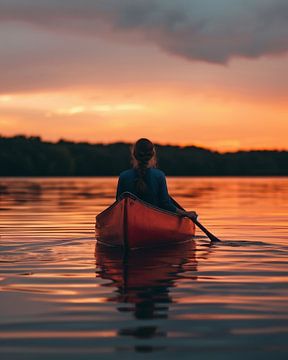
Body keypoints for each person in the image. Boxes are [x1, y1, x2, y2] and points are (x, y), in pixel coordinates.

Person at [116, 138, 198, 219]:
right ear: (152, 154)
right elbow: (166, 205)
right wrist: (186, 213)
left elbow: (118, 205)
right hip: (153, 220)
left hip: (130, 217)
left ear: (134, 154)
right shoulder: (159, 175)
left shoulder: (123, 176)